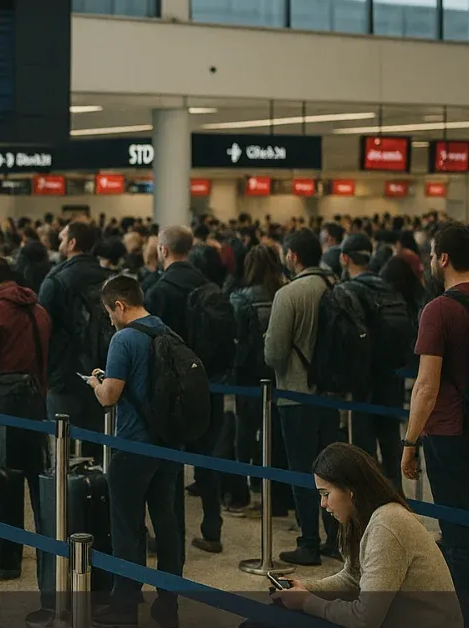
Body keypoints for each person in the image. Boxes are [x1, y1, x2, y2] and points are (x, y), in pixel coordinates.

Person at [232, 443, 466, 628]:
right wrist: (306, 589)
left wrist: (308, 602)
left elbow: (365, 619)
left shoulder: (386, 525)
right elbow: (353, 578)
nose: (323, 504)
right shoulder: (369, 518)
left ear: (350, 491)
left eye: (326, 494)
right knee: (266, 627)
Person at [400, 222, 469, 628]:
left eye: (431, 254)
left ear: (442, 258)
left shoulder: (438, 310)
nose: (429, 260)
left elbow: (426, 386)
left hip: (449, 434)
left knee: (459, 536)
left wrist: (409, 442)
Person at [86, 275, 185, 628]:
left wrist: (96, 384)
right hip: (168, 444)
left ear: (119, 305)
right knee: (167, 523)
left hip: (132, 445)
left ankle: (125, 606)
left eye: (109, 312)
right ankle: (168, 605)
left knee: (127, 526)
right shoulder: (166, 331)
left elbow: (110, 396)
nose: (109, 319)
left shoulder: (123, 339)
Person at [144, 225, 227, 554]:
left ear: (163, 250)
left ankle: (173, 536)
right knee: (207, 457)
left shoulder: (159, 291)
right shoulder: (208, 285)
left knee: (170, 465)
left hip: (173, 388)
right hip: (208, 382)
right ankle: (212, 528)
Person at [264, 229, 340, 566]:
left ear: (292, 256)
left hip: (296, 393)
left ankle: (308, 541)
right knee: (332, 470)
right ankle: (336, 538)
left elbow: (274, 353)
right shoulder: (335, 286)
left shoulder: (289, 294)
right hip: (332, 394)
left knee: (301, 470)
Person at [0, 255, 51, 523]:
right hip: (35, 401)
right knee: (38, 476)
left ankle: (7, 546)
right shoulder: (39, 310)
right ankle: (47, 541)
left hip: (1, 407)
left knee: (4, 479)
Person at [38, 221, 114, 463]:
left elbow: (43, 328)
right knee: (100, 446)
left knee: (65, 450)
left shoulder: (56, 280)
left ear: (72, 243)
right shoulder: (109, 278)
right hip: (105, 371)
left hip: (64, 373)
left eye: (62, 238)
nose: (59, 242)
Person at [339, 233, 409, 483]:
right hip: (391, 377)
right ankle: (396, 495)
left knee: (363, 448)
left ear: (345, 258)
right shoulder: (386, 287)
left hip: (363, 380)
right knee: (391, 443)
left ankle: (368, 498)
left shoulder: (347, 290)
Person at [228, 245, 289, 517]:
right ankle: (274, 492)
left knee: (244, 432)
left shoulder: (240, 298)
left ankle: (242, 489)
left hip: (247, 375)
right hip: (277, 373)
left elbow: (234, 338)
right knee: (273, 433)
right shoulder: (283, 294)